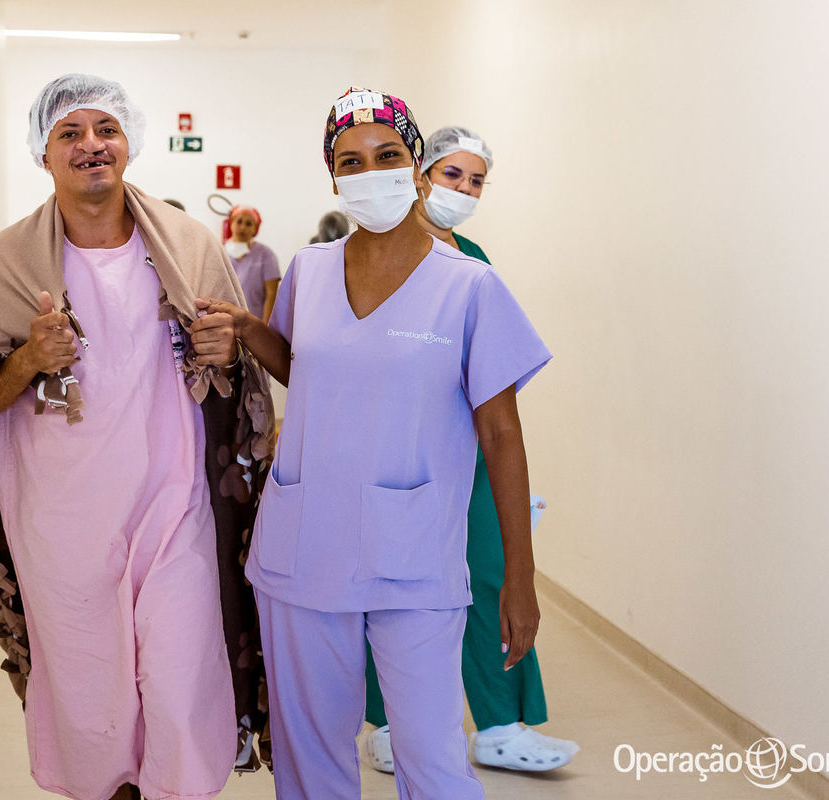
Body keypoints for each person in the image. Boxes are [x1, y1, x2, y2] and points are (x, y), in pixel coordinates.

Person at [198, 87, 551, 800]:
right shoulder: (311, 269)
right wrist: (246, 327)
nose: (370, 172)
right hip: (304, 546)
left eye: (386, 155)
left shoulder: (469, 286)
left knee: (432, 759)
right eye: (349, 161)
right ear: (333, 177)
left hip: (415, 557)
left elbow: (502, 435)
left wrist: (520, 576)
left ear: (416, 163)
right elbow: (310, 370)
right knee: (311, 755)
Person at [0, 74, 275, 800]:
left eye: (105, 130)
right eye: (70, 133)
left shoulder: (185, 247)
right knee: (95, 706)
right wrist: (27, 360)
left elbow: (239, 367)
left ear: (130, 143)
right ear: (43, 154)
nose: (92, 145)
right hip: (63, 522)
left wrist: (226, 348)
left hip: (174, 507)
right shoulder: (4, 264)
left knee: (183, 687)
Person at [363, 125, 580, 774]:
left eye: (477, 180)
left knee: (490, 576)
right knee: (391, 588)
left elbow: (493, 356)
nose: (464, 189)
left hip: (473, 446)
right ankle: (385, 725)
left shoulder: (475, 256)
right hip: (396, 453)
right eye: (453, 174)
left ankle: (501, 726)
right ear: (421, 173)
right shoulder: (379, 251)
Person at [222, 205, 281, 321]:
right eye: (239, 222)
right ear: (231, 223)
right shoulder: (219, 252)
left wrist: (265, 327)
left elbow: (271, 295)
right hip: (225, 322)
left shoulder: (265, 254)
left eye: (248, 224)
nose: (243, 227)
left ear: (255, 229)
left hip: (255, 322)